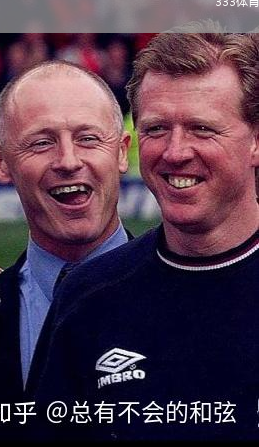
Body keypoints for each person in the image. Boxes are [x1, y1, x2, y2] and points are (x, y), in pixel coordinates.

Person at [30, 29, 259, 440]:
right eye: (156, 129)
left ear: (256, 140)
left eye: (201, 129)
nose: (175, 151)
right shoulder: (88, 297)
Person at [0, 62, 130, 438]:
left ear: (122, 152)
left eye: (88, 138)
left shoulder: (185, 295)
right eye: (41, 143)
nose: (69, 161)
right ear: (0, 163)